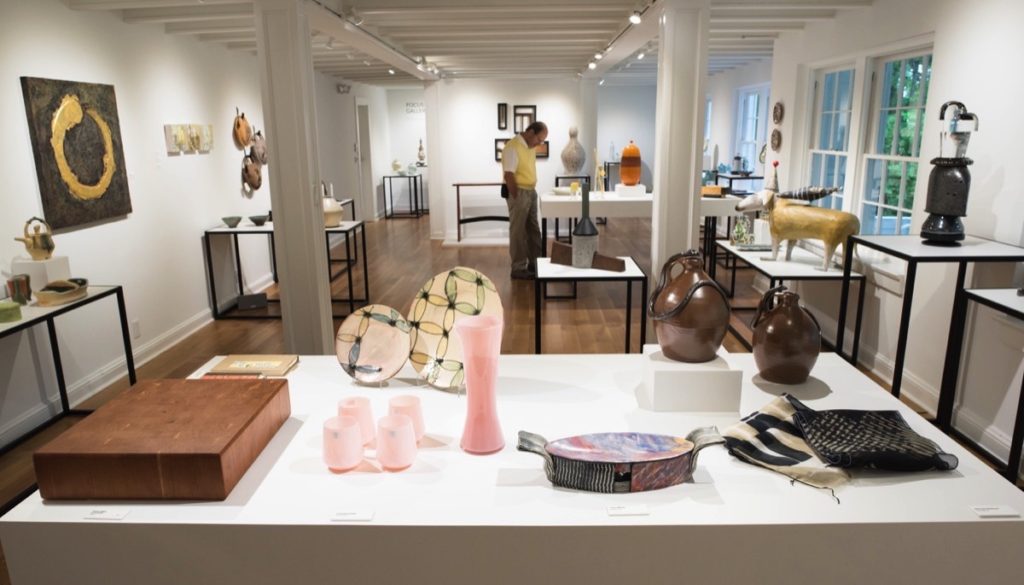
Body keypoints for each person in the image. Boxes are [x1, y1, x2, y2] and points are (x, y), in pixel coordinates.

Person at [502, 121, 547, 279]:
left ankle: (535, 263)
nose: (539, 143)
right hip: (519, 192)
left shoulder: (530, 148)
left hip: (530, 191)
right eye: (539, 139)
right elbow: (509, 175)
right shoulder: (513, 147)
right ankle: (518, 268)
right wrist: (516, 197)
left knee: (533, 228)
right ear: (530, 132)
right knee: (518, 231)